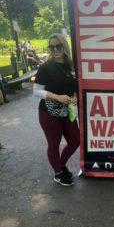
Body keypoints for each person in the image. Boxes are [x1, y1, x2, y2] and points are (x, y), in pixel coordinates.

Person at [33, 33, 79, 186]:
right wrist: (57, 97)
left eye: (58, 46)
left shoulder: (71, 64)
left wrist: (75, 97)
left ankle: (61, 164)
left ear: (64, 46)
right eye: (51, 47)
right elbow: (36, 91)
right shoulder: (46, 67)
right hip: (49, 113)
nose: (55, 49)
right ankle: (58, 173)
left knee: (75, 140)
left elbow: (73, 86)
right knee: (54, 143)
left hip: (67, 111)